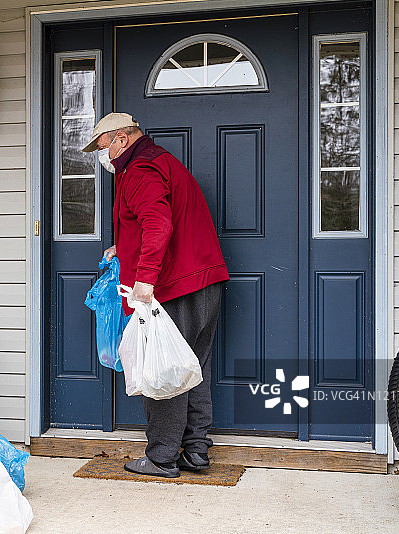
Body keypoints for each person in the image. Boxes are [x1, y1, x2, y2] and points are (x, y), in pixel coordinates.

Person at [82, 112, 229, 478]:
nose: (106, 159)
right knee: (191, 369)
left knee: (161, 369)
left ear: (120, 138)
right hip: (203, 283)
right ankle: (196, 453)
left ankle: (162, 457)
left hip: (173, 288)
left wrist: (145, 279)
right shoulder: (161, 161)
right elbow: (158, 219)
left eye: (104, 149)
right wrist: (123, 248)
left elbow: (158, 223)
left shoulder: (141, 170)